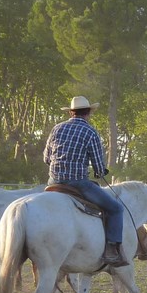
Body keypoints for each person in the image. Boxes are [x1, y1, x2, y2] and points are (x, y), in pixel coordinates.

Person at [44, 95, 128, 268]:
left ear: (71, 112)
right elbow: (98, 165)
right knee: (116, 208)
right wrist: (101, 171)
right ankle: (112, 250)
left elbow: (46, 158)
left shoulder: (57, 128)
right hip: (77, 183)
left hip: (53, 182)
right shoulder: (90, 132)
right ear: (88, 112)